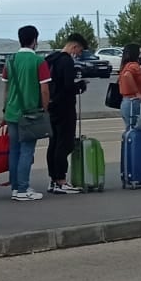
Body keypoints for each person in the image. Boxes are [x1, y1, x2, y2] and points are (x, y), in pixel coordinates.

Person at [4, 27, 54, 201]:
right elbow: (45, 89)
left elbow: (7, 88)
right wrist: (45, 109)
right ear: (34, 40)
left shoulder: (9, 61)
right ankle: (24, 189)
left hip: (11, 112)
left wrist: (5, 109)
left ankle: (16, 188)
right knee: (27, 151)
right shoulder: (39, 61)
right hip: (30, 113)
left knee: (14, 151)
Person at [45, 34, 87, 195]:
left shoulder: (50, 59)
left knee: (53, 143)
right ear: (74, 47)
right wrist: (81, 86)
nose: (79, 54)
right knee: (65, 143)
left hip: (51, 106)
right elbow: (68, 86)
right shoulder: (66, 61)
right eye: (80, 50)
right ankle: (61, 180)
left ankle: (53, 180)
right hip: (65, 107)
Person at [117, 45, 141, 132]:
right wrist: (137, 92)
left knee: (130, 130)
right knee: (138, 130)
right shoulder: (134, 66)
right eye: (140, 52)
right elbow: (128, 75)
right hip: (135, 102)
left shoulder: (125, 66)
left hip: (127, 101)